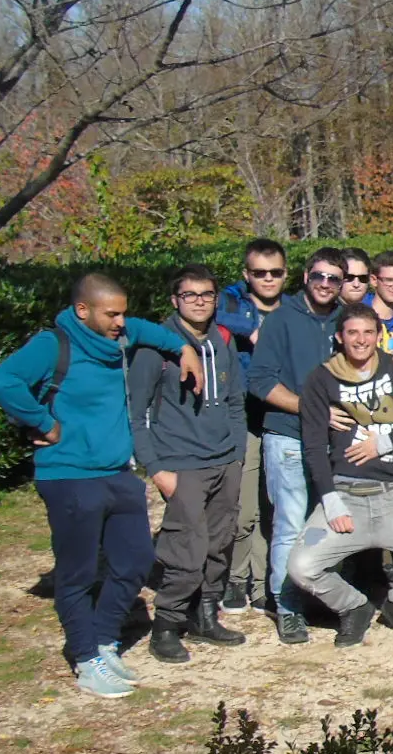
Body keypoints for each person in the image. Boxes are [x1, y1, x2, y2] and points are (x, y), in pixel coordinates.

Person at [0, 273, 202, 697]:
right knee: (78, 573)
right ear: (83, 311)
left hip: (117, 472)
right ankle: (85, 659)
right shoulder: (54, 345)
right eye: (113, 313)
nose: (122, 321)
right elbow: (0, 381)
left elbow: (149, 331)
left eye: (123, 312)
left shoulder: (116, 336)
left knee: (136, 562)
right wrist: (44, 423)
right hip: (68, 476)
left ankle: (103, 641)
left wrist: (184, 348)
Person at [290, 304, 393, 647]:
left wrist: (386, 442)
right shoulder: (321, 378)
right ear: (339, 337)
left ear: (379, 335)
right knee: (302, 567)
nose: (360, 340)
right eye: (352, 332)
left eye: (368, 332)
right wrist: (330, 500)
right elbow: (315, 447)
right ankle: (354, 608)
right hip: (347, 493)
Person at [127, 264, 250, 664]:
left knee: (219, 542)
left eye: (207, 294)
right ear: (175, 300)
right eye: (190, 295)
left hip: (224, 459)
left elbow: (234, 400)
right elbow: (137, 412)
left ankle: (205, 614)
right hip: (180, 463)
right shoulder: (155, 349)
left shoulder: (223, 339)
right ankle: (167, 624)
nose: (199, 302)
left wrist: (235, 450)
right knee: (186, 547)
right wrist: (155, 467)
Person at [247, 247, 349, 644]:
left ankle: (322, 596)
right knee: (289, 524)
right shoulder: (281, 321)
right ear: (306, 276)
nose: (325, 284)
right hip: (288, 437)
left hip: (335, 441)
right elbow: (260, 381)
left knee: (330, 523)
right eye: (319, 276)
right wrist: (312, 409)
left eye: (334, 279)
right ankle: (287, 604)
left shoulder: (345, 321)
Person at [216, 238, 285, 615]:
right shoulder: (232, 302)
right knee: (243, 510)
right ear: (247, 275)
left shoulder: (291, 308)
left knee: (271, 506)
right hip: (243, 415)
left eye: (275, 272)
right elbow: (206, 310)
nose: (268, 279)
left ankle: (261, 583)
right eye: (259, 273)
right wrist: (250, 329)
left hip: (279, 414)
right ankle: (235, 578)